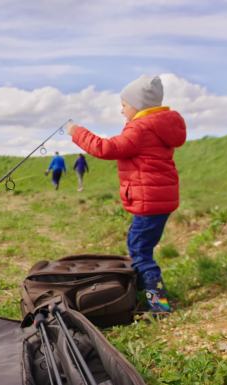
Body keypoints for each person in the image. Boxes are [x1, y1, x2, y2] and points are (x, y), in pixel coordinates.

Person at [66, 75, 186, 313]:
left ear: (138, 105)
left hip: (149, 201)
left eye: (124, 105)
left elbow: (106, 148)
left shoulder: (140, 128)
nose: (121, 111)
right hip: (158, 199)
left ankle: (159, 304)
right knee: (137, 246)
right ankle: (141, 292)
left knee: (140, 253)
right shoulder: (158, 127)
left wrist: (76, 132)